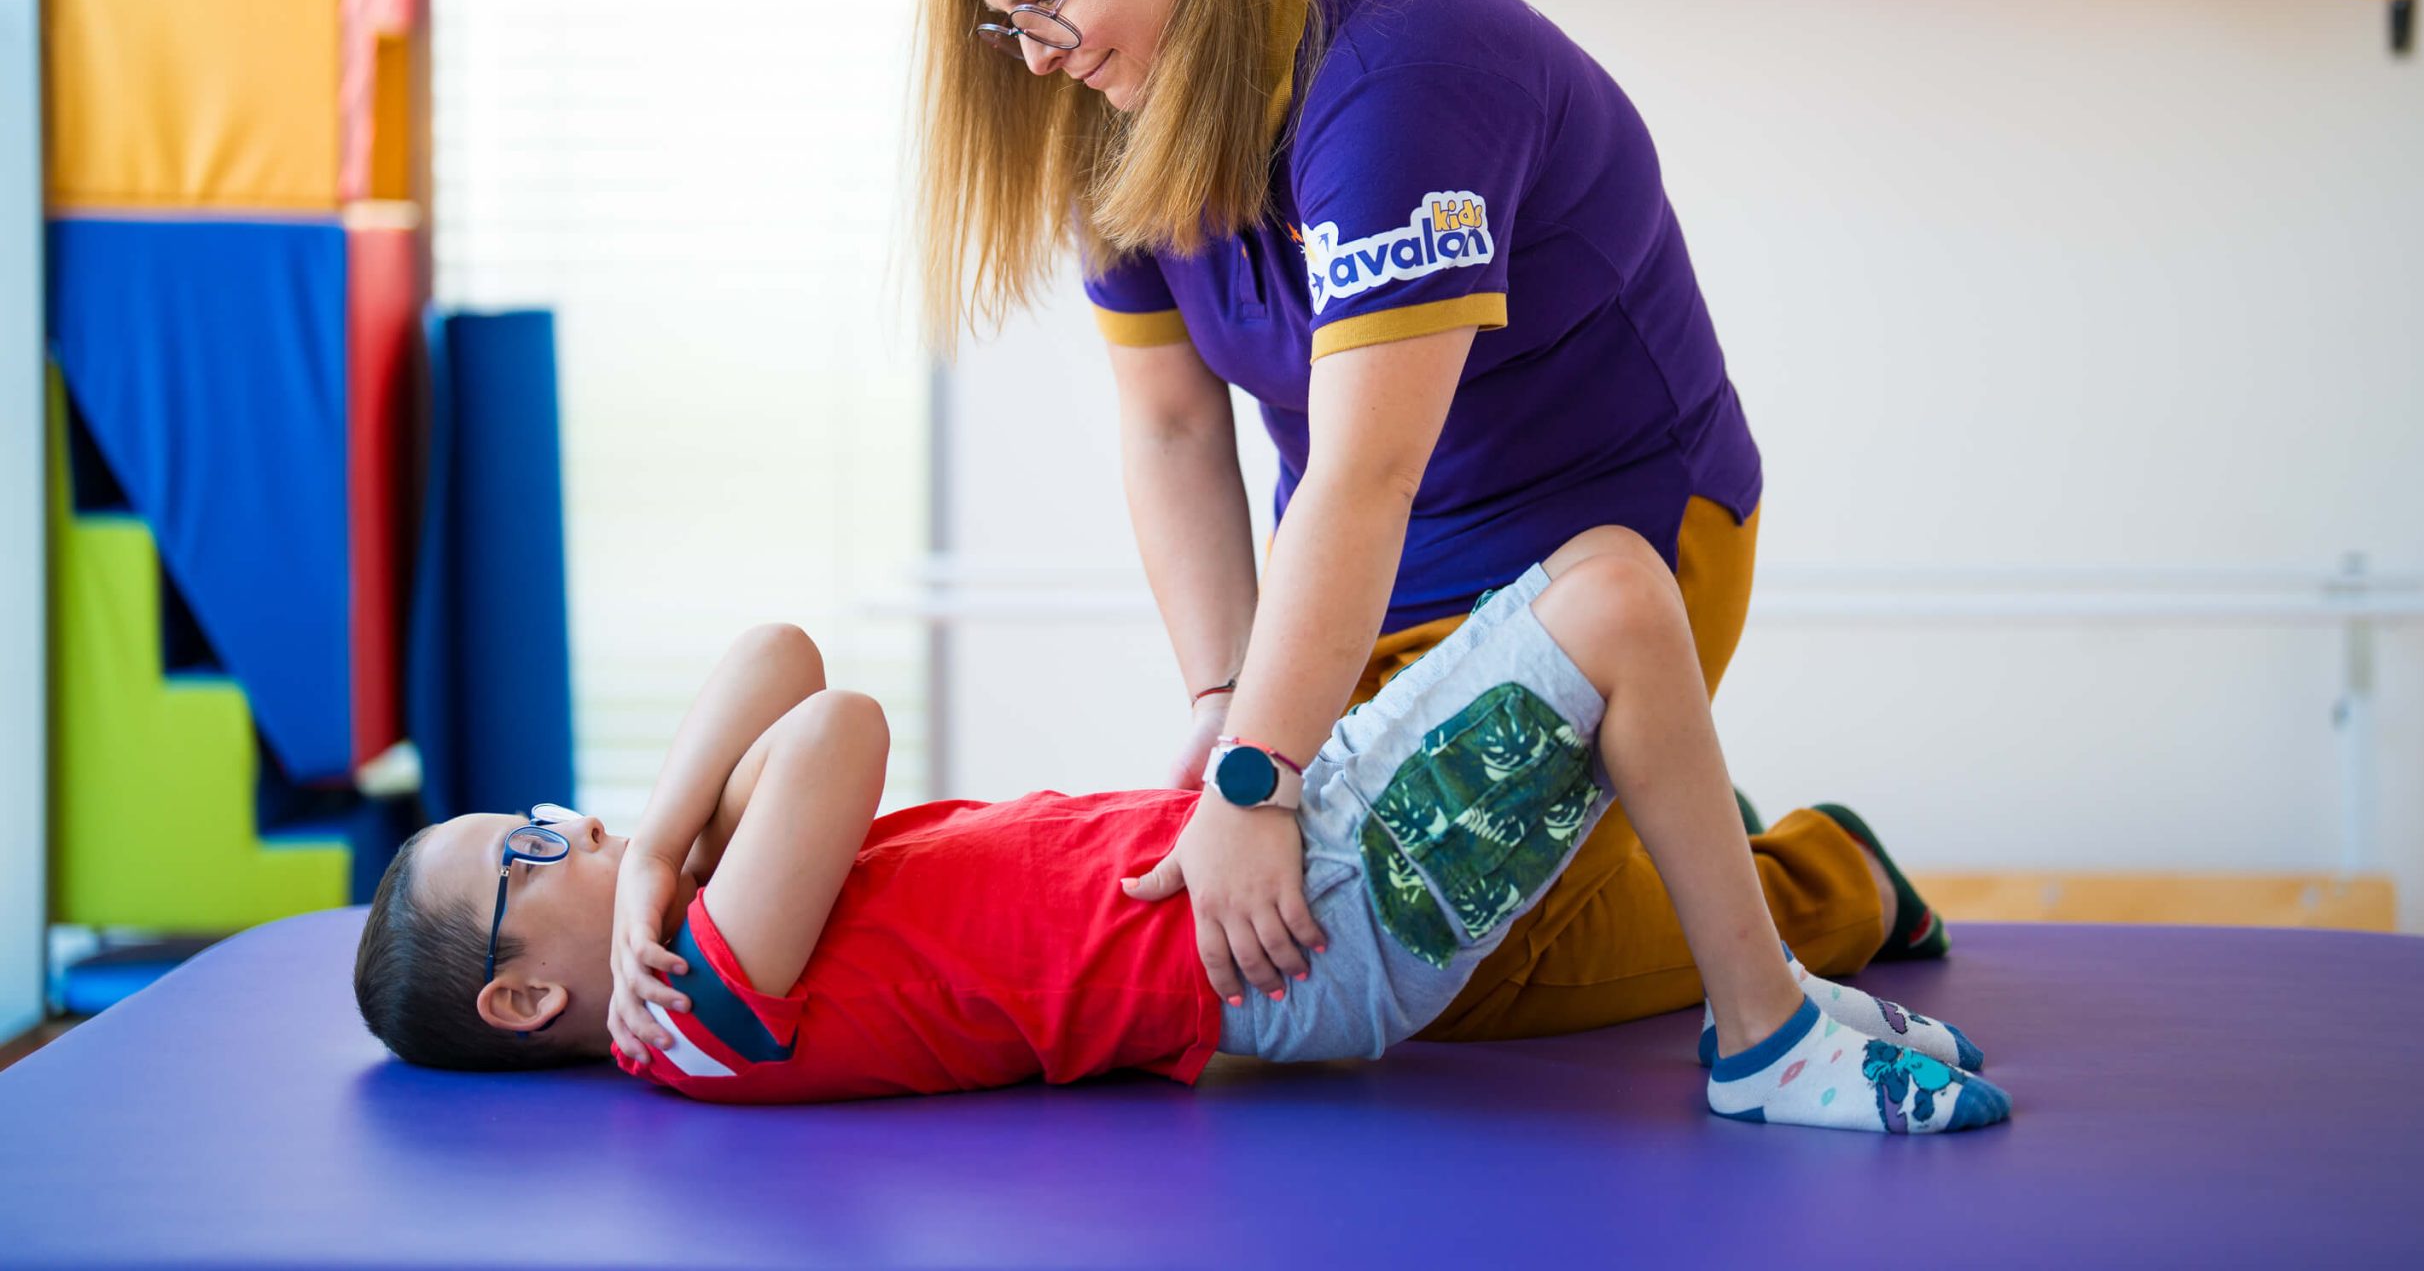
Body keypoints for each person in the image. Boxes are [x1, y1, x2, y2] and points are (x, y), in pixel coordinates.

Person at [910, 0, 1946, 1043]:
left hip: (1608, 543)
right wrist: (1227, 704)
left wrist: (1255, 778)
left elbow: (1366, 471)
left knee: (1423, 971)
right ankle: (1643, 823)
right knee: (1299, 931)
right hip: (1370, 570)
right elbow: (1173, 429)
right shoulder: (1114, 104)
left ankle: (1823, 880)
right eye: (1010, 24)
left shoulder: (1402, 78)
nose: (1040, 55)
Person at [354, 527, 2005, 1135]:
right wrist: (673, 865)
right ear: (521, 999)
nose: (572, 828)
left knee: (1609, 603)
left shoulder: (685, 896)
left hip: (1280, 863)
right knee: (1622, 596)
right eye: (530, 853)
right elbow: (837, 720)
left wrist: (640, 850)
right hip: (1303, 929)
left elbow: (781, 647)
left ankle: (1775, 956)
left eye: (548, 815)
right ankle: (1763, 1040)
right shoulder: (701, 1019)